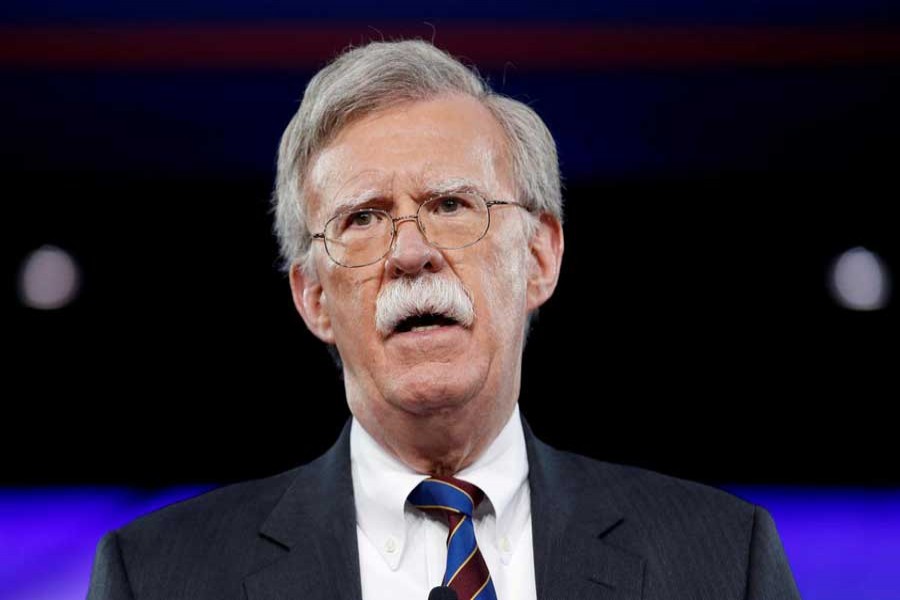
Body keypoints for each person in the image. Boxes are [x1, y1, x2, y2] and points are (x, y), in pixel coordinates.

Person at [87, 39, 801, 600]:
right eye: (362, 219)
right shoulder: (157, 576)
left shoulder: (721, 560)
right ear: (311, 296)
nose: (410, 253)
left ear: (540, 257)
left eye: (452, 205)